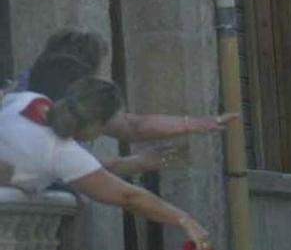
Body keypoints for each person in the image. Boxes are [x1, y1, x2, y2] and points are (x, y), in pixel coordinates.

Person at [0, 54, 211, 250]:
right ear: (96, 124)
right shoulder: (63, 154)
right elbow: (129, 196)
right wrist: (184, 219)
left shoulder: (31, 100)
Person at [7, 29, 238, 176]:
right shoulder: (47, 99)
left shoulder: (21, 95)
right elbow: (71, 169)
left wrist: (198, 124)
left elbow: (130, 126)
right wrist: (137, 163)